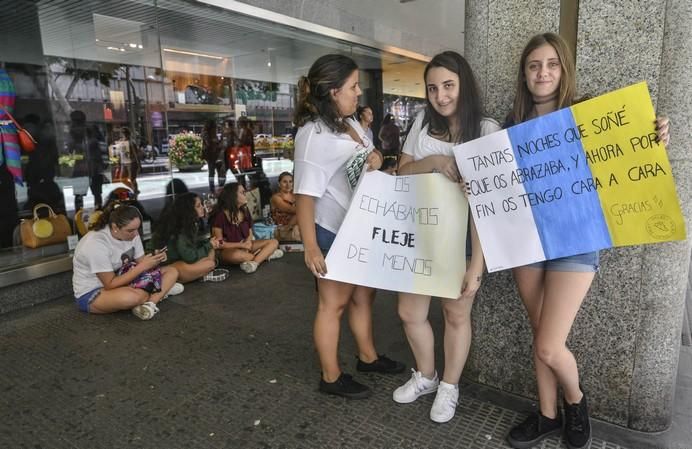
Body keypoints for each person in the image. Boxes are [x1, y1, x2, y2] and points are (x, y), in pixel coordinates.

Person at [504, 33, 670, 449]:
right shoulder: (511, 126)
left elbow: (628, 153)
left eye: (551, 64)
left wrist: (654, 137)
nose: (542, 72)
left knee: (548, 343)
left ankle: (576, 403)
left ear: (564, 70)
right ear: (524, 75)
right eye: (534, 65)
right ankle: (546, 415)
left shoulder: (588, 114)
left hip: (576, 240)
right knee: (538, 331)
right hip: (528, 240)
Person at [393, 51, 499, 423]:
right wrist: (436, 163)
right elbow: (401, 172)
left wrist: (477, 265)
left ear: (463, 85)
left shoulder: (486, 130)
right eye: (433, 88)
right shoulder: (422, 120)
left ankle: (449, 386)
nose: (441, 96)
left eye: (449, 86)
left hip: (462, 241)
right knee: (409, 312)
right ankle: (426, 375)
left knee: (455, 315)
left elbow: (490, 206)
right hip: (419, 234)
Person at [293, 54, 405, 400]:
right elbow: (304, 197)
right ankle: (331, 377)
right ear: (332, 91)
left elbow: (366, 161)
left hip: (358, 226)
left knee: (362, 297)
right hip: (331, 232)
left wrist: (378, 162)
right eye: (353, 86)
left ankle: (368, 357)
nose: (359, 92)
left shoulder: (349, 122)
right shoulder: (312, 137)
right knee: (333, 304)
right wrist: (311, 248)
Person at [72, 201, 184, 320]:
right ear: (115, 227)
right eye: (130, 231)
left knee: (172, 271)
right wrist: (142, 267)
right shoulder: (96, 243)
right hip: (93, 292)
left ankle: (150, 304)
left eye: (137, 229)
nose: (136, 234)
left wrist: (154, 258)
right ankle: (159, 292)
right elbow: (110, 284)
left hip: (126, 279)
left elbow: (141, 262)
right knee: (132, 298)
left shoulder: (132, 233)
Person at [153, 192, 228, 283]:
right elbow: (190, 257)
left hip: (181, 262)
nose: (202, 208)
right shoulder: (180, 231)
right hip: (171, 267)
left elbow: (191, 248)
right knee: (210, 263)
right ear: (188, 210)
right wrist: (209, 245)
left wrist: (209, 243)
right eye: (198, 206)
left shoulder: (188, 225)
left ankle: (198, 275)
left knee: (210, 256)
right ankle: (172, 281)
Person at [210, 182, 283, 274]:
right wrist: (241, 245)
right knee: (238, 256)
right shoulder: (220, 215)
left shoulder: (245, 210)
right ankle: (264, 255)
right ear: (233, 196)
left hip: (245, 245)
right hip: (227, 250)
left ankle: (254, 263)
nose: (246, 195)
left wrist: (247, 243)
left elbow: (250, 232)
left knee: (274, 242)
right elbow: (219, 243)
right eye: (242, 192)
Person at [270, 171, 300, 241]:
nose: (288, 185)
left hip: (295, 226)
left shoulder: (296, 196)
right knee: (301, 213)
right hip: (282, 228)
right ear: (279, 184)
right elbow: (290, 210)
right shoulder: (276, 198)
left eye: (290, 181)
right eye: (285, 182)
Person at [202, 120, 226, 193]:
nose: (216, 129)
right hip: (212, 156)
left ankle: (219, 188)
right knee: (213, 173)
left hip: (216, 156)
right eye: (215, 127)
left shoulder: (213, 134)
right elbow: (210, 144)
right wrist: (218, 143)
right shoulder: (207, 134)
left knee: (219, 173)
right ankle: (213, 190)